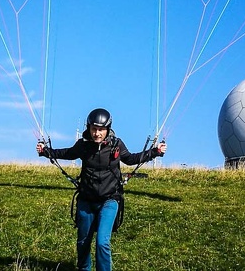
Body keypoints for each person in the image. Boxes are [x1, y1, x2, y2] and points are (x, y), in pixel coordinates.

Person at [36, 108, 167, 271]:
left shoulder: (116, 145)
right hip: (86, 200)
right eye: (94, 129)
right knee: (83, 241)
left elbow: (132, 159)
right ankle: (84, 268)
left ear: (107, 129)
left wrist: (155, 152)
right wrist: (45, 151)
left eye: (101, 130)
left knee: (102, 242)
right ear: (89, 128)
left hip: (110, 199)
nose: (97, 133)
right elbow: (66, 153)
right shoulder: (83, 146)